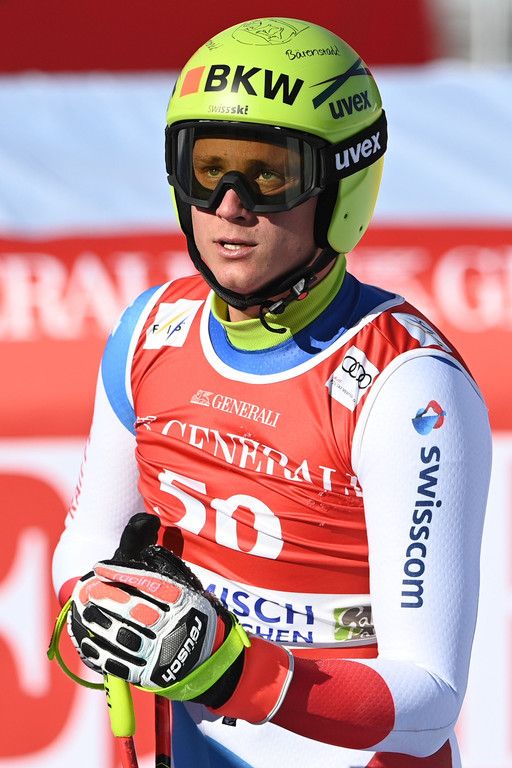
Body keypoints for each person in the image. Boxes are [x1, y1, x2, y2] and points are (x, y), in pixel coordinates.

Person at [52, 17, 492, 768]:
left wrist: (234, 672)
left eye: (269, 174)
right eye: (207, 167)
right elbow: (87, 548)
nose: (229, 204)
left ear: (342, 186)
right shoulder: (150, 330)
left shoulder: (411, 389)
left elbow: (429, 703)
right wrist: (91, 606)